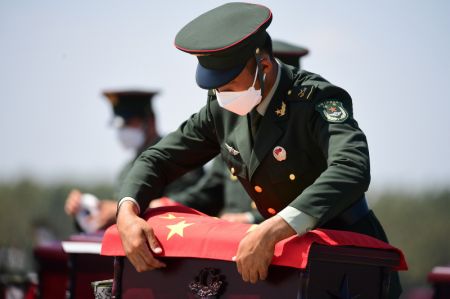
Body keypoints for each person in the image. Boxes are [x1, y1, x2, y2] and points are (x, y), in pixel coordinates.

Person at [115, 3, 401, 298]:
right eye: (216, 90)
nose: (221, 97)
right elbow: (159, 158)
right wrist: (127, 211)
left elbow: (351, 167)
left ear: (263, 67)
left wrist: (275, 228)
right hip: (281, 265)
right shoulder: (221, 108)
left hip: (346, 259)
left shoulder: (314, 100)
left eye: (229, 86)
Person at [167, 40, 309, 224]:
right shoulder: (232, 127)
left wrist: (251, 218)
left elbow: (313, 195)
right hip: (233, 241)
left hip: (287, 238)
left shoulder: (301, 130)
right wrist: (169, 205)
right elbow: (212, 189)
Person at [64, 90, 204, 232]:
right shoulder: (125, 170)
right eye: (120, 126)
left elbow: (187, 209)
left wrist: (125, 212)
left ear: (150, 121)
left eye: (128, 123)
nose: (123, 131)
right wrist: (88, 212)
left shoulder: (179, 155)